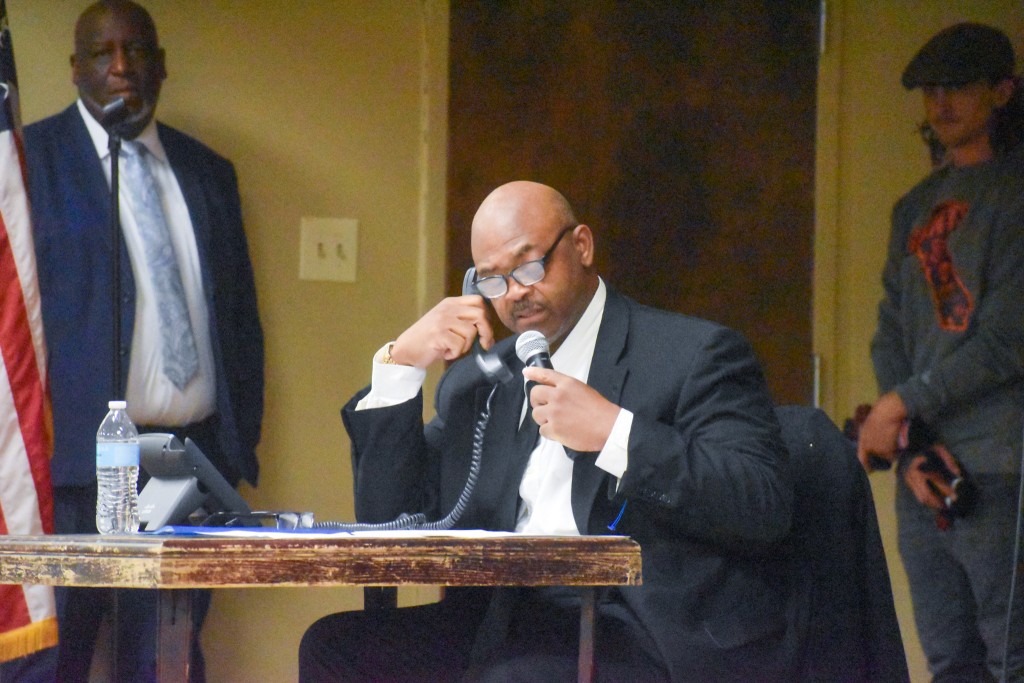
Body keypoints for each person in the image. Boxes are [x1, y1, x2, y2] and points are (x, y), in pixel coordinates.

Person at [299, 180, 803, 681]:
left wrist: (615, 433)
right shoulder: (480, 380)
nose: (516, 292)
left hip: (635, 625)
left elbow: (763, 504)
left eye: (529, 266)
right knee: (334, 648)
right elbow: (391, 520)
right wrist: (401, 366)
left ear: (581, 246)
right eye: (492, 279)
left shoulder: (694, 354)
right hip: (501, 616)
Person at [8, 1, 264, 681]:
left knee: (166, 661)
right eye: (102, 52)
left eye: (138, 50)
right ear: (74, 69)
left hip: (188, 468)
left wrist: (237, 448)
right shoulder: (26, 166)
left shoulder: (210, 172)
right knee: (47, 660)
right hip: (68, 474)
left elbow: (239, 319)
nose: (121, 66)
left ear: (162, 64)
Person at [857, 22, 1024, 682]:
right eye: (931, 91)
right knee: (947, 655)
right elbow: (889, 330)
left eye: (958, 87)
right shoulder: (913, 208)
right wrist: (911, 442)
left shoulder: (1014, 195)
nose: (941, 102)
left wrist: (897, 403)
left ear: (1003, 91)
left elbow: (1008, 342)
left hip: (1000, 463)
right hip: (924, 465)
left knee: (1009, 653)